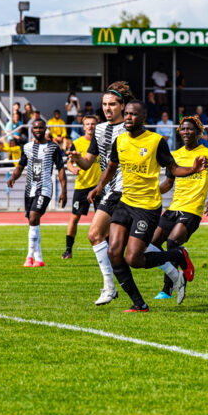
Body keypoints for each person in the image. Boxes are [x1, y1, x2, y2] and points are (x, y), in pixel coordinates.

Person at [91, 101, 206, 312]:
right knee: (114, 253)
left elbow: (174, 169)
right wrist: (99, 187)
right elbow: (111, 168)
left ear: (143, 118)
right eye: (126, 114)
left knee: (133, 258)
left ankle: (177, 255)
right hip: (125, 203)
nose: (127, 117)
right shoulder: (120, 141)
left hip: (147, 207)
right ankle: (139, 304)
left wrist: (192, 169)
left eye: (133, 114)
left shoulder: (155, 142)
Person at [65, 80, 133, 305]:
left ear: (123, 106)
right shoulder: (100, 129)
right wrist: (77, 159)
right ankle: (173, 268)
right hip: (109, 190)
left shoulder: (132, 128)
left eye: (112, 104)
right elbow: (88, 163)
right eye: (104, 104)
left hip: (126, 189)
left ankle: (110, 287)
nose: (107, 108)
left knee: (97, 235)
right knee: (124, 243)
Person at [150, 115, 208, 303]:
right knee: (150, 245)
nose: (186, 132)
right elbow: (169, 182)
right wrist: (151, 192)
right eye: (183, 129)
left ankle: (167, 288)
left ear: (199, 132)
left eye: (190, 129)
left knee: (172, 241)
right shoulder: (174, 155)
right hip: (174, 207)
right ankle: (181, 263)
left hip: (192, 209)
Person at [7, 118, 67, 267]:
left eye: (41, 127)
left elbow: (61, 169)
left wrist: (64, 191)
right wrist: (13, 177)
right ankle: (39, 258)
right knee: (33, 222)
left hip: (45, 188)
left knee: (34, 217)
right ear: (32, 130)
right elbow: (20, 166)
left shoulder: (53, 147)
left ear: (45, 128)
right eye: (35, 128)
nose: (38, 130)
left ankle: (29, 257)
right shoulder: (27, 147)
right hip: (30, 189)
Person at [63, 114, 101, 259]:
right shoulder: (77, 143)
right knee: (74, 217)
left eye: (93, 124)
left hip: (99, 187)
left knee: (104, 219)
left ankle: (109, 250)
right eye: (88, 124)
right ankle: (68, 250)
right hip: (82, 186)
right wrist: (73, 169)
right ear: (83, 127)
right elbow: (69, 162)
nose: (91, 126)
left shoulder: (102, 142)